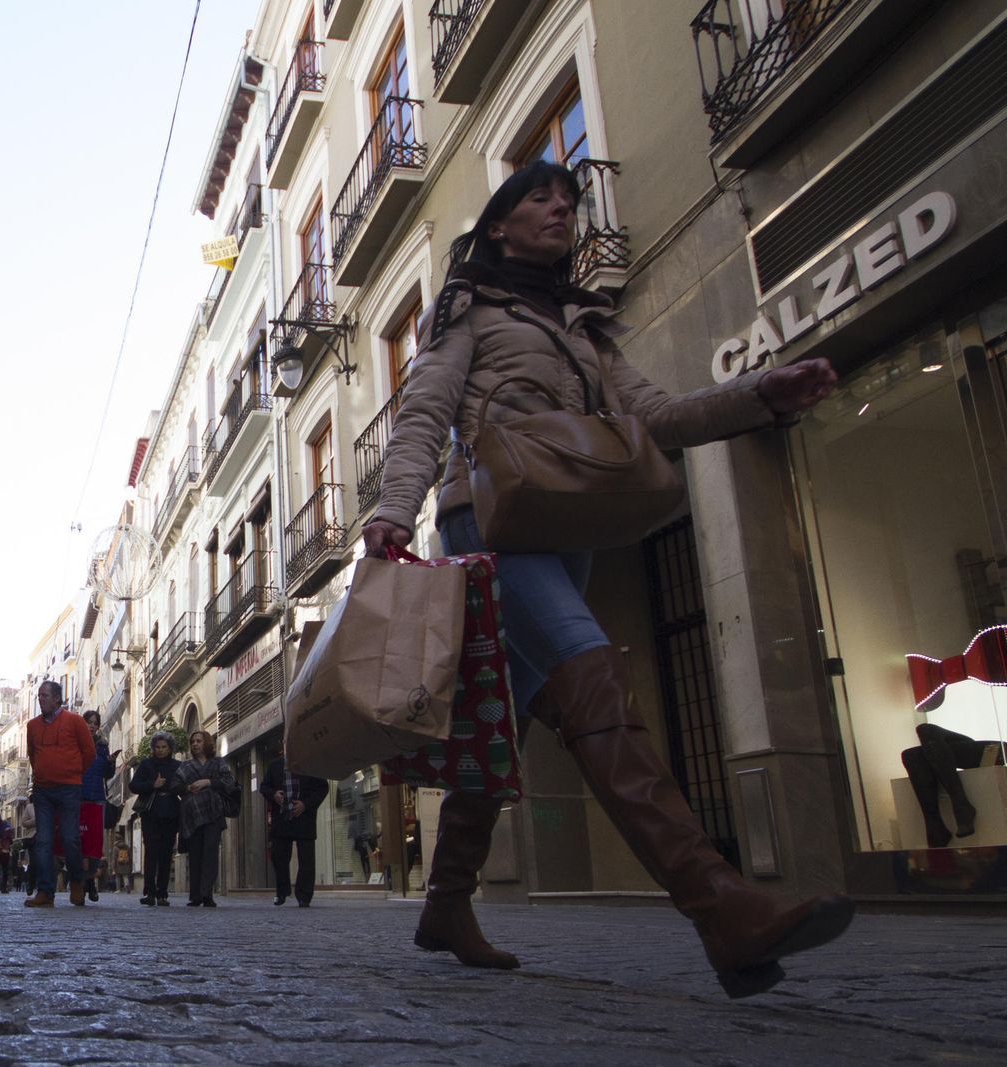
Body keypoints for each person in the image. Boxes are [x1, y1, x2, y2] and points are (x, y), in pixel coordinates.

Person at [360, 159, 850, 998]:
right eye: (541, 197)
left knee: (501, 715)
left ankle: (445, 904)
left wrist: (761, 393)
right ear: (502, 225)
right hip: (494, 519)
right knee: (592, 677)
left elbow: (657, 415)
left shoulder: (584, 326)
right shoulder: (470, 308)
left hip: (572, 520)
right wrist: (394, 512)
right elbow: (426, 411)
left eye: (569, 199)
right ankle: (717, 905)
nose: (562, 207)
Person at [25, 680, 94, 907]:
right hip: (43, 790)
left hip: (69, 788)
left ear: (57, 698)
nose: (40, 699)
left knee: (70, 838)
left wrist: (73, 773)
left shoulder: (75, 721)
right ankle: (45, 891)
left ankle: (76, 881)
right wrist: (43, 774)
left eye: (44, 695)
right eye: (39, 695)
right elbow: (33, 755)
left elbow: (89, 753)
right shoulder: (32, 726)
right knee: (43, 841)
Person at [901, 724, 1002, 847]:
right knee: (920, 740)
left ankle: (936, 825)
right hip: (990, 749)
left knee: (914, 752)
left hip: (998, 753)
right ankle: (958, 807)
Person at [172, 729, 235, 907]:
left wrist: (209, 782)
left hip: (213, 812)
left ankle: (207, 893)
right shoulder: (185, 766)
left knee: (210, 852)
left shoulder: (218, 763)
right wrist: (187, 788)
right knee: (195, 854)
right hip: (192, 814)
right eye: (193, 742)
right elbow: (175, 785)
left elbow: (229, 783)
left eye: (199, 741)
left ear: (206, 743)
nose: (195, 744)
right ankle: (195, 895)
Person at [260, 747, 329, 907]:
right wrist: (273, 795)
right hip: (282, 816)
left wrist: (306, 804)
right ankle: (282, 891)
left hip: (303, 816)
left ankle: (304, 895)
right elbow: (264, 786)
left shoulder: (310, 764)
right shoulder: (275, 765)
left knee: (306, 859)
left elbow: (322, 788)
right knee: (279, 857)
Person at [130, 731, 182, 905]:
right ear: (153, 748)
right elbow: (134, 785)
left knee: (166, 854)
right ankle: (150, 892)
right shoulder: (146, 764)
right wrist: (153, 785)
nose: (160, 750)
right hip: (151, 813)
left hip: (170, 813)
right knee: (151, 852)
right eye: (157, 747)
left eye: (164, 747)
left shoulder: (177, 765)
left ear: (170, 748)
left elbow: (182, 786)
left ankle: (162, 893)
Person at [78, 710, 117, 902]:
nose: (92, 725)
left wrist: (111, 764)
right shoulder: (75, 743)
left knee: (94, 844)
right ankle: (80, 882)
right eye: (88, 722)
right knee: (78, 841)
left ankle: (90, 881)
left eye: (95, 723)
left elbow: (107, 775)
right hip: (77, 797)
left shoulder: (103, 747)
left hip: (97, 798)